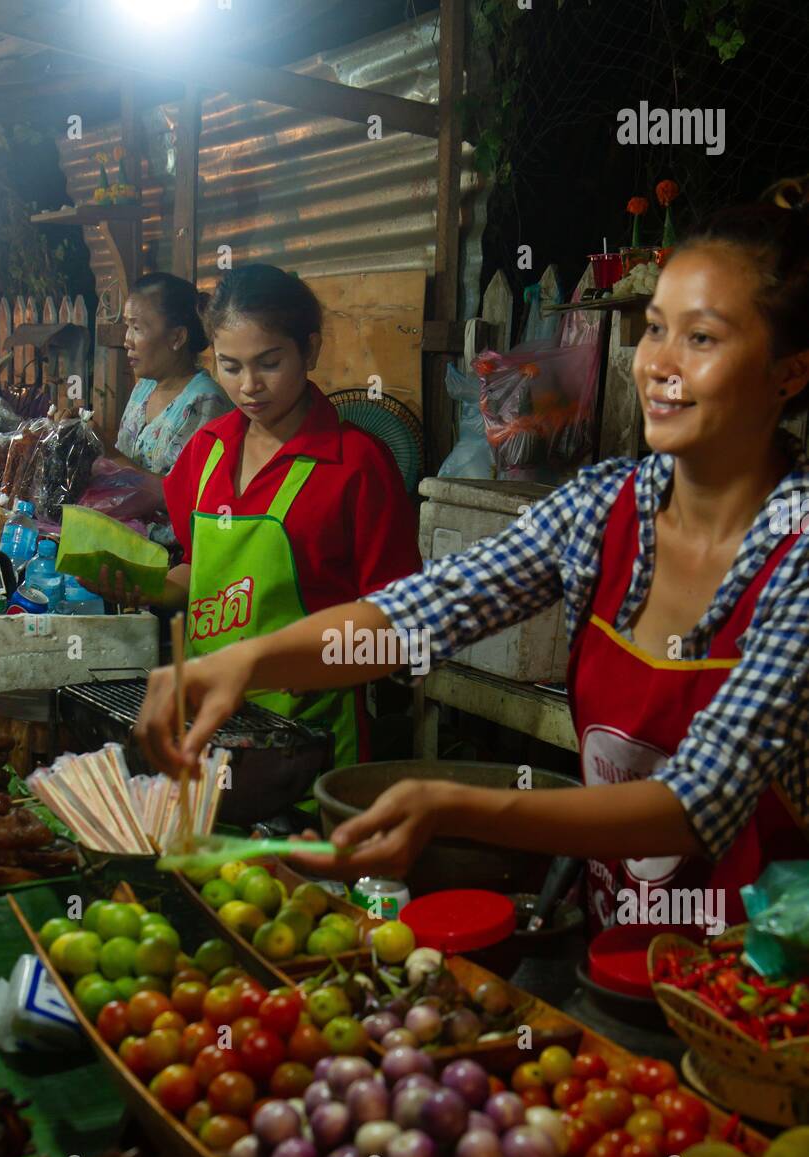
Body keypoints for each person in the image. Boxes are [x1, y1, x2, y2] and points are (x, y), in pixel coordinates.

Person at [136, 202, 809, 933]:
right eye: (655, 329)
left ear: (789, 373)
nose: (658, 365)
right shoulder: (605, 508)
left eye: (701, 337)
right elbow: (422, 612)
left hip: (765, 980)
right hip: (621, 944)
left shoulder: (796, 555)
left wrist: (456, 806)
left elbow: (699, 801)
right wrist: (245, 663)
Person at [117, 263, 420, 770]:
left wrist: (320, 663)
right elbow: (202, 573)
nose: (250, 386)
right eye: (230, 367)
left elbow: (403, 634)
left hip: (313, 746)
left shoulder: (357, 466)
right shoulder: (205, 452)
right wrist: (145, 585)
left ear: (311, 350)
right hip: (209, 737)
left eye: (270, 362)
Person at [111, 272, 231, 543]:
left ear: (177, 337)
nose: (127, 340)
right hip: (127, 539)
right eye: (127, 327)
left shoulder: (204, 402)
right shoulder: (144, 388)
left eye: (137, 328)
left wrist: (107, 451)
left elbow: (184, 497)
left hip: (174, 559)